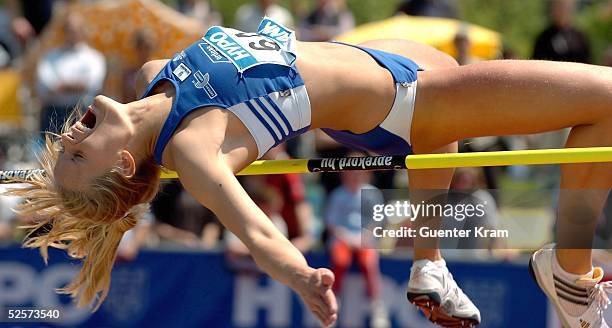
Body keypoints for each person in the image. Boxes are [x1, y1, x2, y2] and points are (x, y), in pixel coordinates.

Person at [7, 17, 612, 328]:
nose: (72, 135)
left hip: (387, 66)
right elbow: (258, 232)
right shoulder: (193, 151)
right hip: (405, 101)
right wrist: (304, 279)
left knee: (447, 77)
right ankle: (569, 273)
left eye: (67, 144)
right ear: (121, 162)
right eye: (79, 155)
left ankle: (431, 264)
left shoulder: (152, 75)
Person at [326, 160, 389, 327]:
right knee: (339, 262)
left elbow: (377, 220)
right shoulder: (338, 195)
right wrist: (347, 238)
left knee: (368, 264)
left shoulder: (372, 193)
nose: (354, 176)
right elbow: (332, 223)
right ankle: (331, 306)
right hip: (342, 239)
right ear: (344, 174)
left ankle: (377, 308)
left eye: (358, 173)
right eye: (350, 173)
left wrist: (364, 236)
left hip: (365, 239)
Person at [36, 12, 106, 135]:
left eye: (75, 29)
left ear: (82, 30)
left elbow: (92, 84)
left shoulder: (94, 57)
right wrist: (76, 86)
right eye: (69, 29)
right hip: (53, 113)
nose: (72, 32)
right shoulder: (50, 56)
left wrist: (62, 86)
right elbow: (46, 85)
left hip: (82, 113)